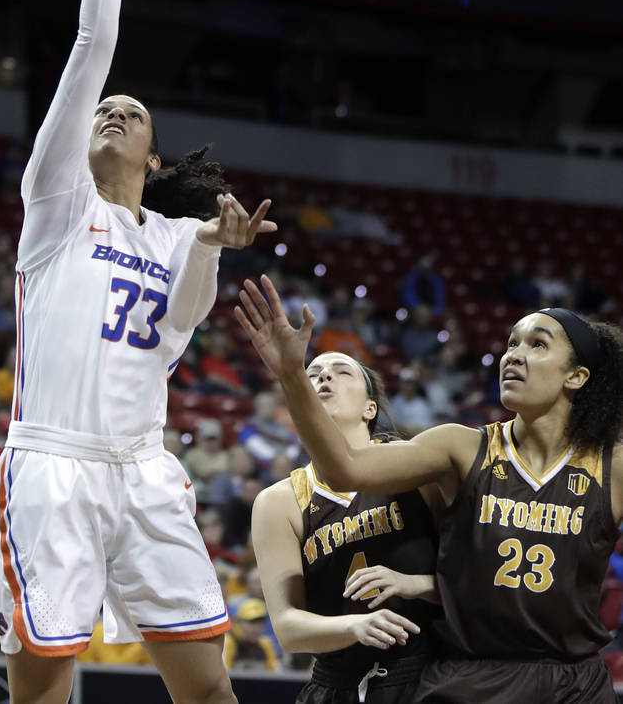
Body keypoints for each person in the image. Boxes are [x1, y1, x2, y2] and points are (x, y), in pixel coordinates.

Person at [0, 0, 276, 704]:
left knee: (207, 687)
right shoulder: (56, 206)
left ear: (154, 160)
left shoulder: (174, 237)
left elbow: (183, 323)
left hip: (146, 469)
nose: (111, 110)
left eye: (132, 111)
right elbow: (91, 50)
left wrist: (220, 247)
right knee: (41, 688)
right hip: (55, 464)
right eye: (102, 110)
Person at [236, 275, 623, 704]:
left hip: (578, 680)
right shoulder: (459, 446)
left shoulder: (612, 464)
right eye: (511, 343)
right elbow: (346, 468)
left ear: (576, 376)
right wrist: (291, 375)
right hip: (473, 673)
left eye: (537, 344)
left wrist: (417, 583)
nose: (513, 355)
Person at [249, 345, 440, 704]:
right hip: (336, 684)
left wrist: (413, 583)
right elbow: (288, 628)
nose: (323, 375)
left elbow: (473, 580)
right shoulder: (278, 502)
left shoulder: (415, 466)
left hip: (426, 674)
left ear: (371, 409)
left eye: (342, 371)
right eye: (313, 373)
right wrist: (353, 626)